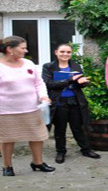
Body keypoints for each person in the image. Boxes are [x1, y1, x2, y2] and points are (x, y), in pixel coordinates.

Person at [0, 36, 55, 176]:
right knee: (7, 138)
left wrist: (43, 96)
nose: (26, 50)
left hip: (32, 108)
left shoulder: (29, 63)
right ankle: (7, 166)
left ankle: (37, 162)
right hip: (6, 110)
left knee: (37, 136)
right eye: (23, 48)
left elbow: (39, 83)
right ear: (9, 49)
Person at [42, 44, 100, 164]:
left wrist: (82, 83)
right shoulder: (49, 67)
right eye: (62, 51)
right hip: (58, 102)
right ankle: (61, 151)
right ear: (56, 52)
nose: (65, 54)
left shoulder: (75, 66)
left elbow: (78, 85)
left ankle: (86, 149)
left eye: (68, 52)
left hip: (75, 100)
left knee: (78, 127)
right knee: (60, 129)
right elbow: (49, 84)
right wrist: (70, 80)